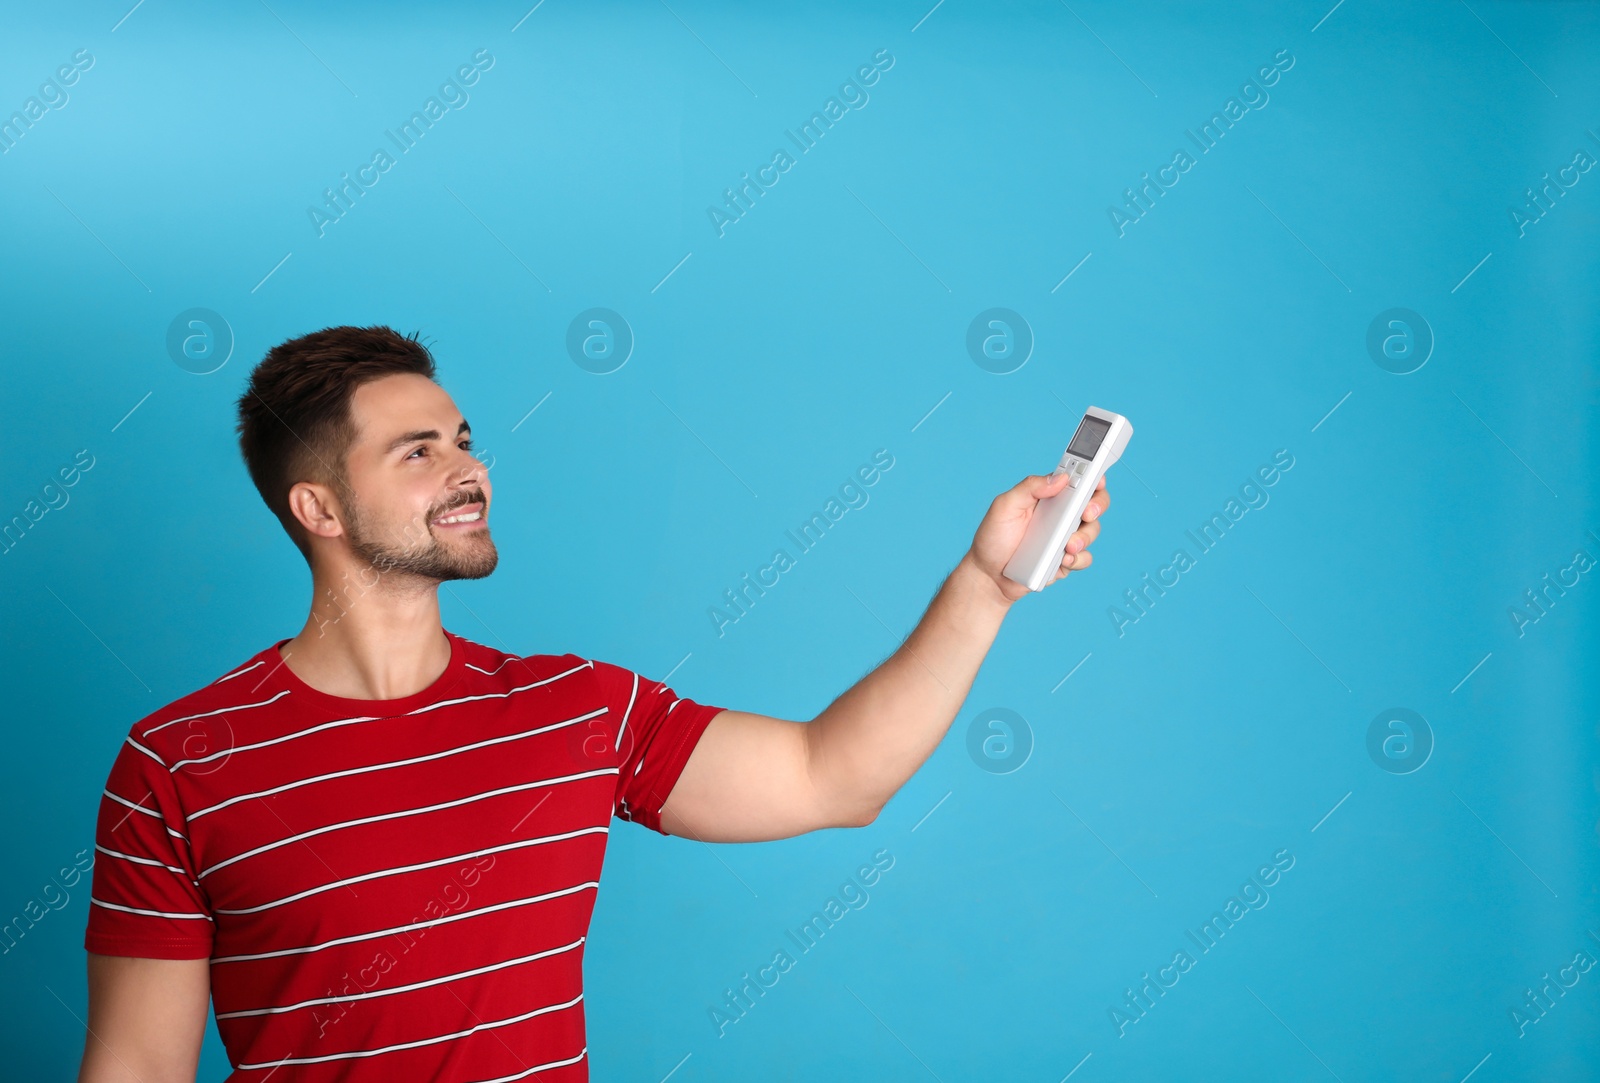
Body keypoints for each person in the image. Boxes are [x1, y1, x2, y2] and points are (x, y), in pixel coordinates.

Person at [77, 325, 1109, 1082]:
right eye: (417, 451)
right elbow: (135, 1066)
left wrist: (987, 586)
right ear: (318, 508)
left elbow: (830, 777)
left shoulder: (575, 710)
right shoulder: (179, 759)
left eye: (463, 437)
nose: (469, 467)